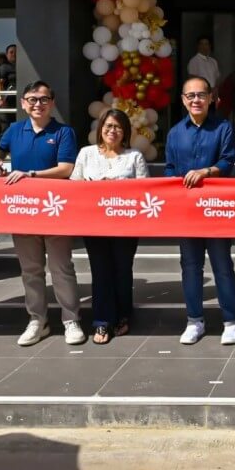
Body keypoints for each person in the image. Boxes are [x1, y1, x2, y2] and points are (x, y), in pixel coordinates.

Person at [0, 80, 85, 347]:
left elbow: (66, 168)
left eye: (44, 99)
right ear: (23, 103)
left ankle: (71, 319)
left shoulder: (63, 132)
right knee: (30, 269)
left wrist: (30, 174)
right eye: (32, 99)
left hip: (55, 209)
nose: (38, 104)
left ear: (52, 103)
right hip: (24, 209)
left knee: (61, 267)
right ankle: (37, 320)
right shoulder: (14, 130)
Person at [165, 75, 235, 345]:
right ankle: (194, 320)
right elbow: (170, 169)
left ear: (211, 98)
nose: (196, 100)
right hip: (187, 211)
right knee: (190, 267)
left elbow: (228, 161)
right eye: (191, 95)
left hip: (216, 208)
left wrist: (206, 172)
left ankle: (231, 321)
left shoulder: (223, 127)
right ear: (183, 100)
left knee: (222, 265)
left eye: (201, 95)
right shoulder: (175, 133)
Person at [70, 109, 149, 344]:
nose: (112, 131)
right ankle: (102, 321)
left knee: (122, 270)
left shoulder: (134, 156)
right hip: (94, 224)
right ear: (100, 129)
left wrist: (120, 187)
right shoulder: (86, 154)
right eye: (108, 126)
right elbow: (74, 186)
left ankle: (123, 316)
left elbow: (145, 189)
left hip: (125, 225)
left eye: (117, 127)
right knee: (100, 270)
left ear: (125, 131)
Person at [0, 44, 18, 141]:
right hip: (8, 100)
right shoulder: (4, 67)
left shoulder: (22, 66)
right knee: (6, 125)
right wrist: (1, 98)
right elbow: (0, 83)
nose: (14, 54)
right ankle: (2, 146)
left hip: (19, 99)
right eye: (11, 52)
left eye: (16, 52)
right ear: (6, 54)